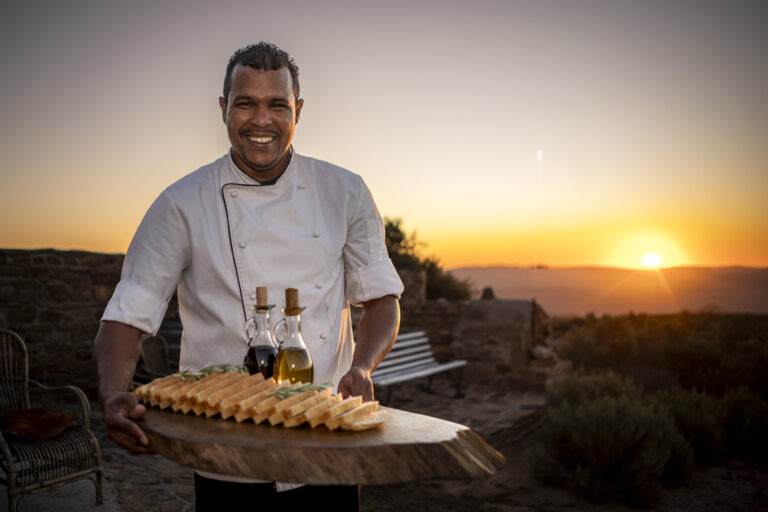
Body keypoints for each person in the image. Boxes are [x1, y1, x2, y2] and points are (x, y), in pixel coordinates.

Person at [93, 41, 403, 510]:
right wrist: (114, 393)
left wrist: (361, 367)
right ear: (223, 110)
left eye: (277, 104)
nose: (262, 120)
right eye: (246, 104)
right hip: (224, 449)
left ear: (297, 110)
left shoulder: (345, 191)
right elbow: (128, 312)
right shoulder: (181, 203)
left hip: (326, 445)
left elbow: (382, 300)